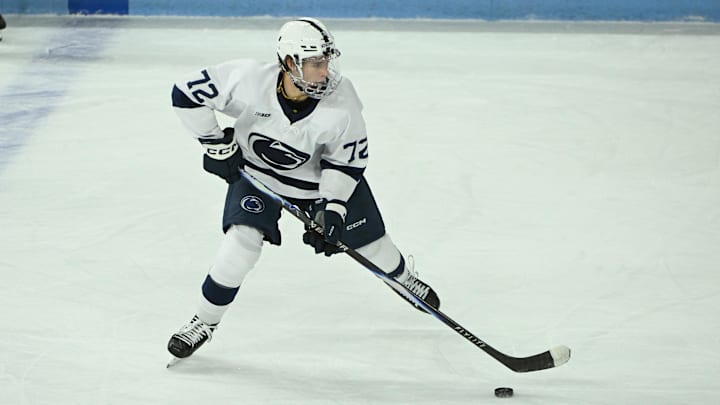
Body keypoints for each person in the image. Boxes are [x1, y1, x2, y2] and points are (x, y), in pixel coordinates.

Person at [167, 17, 440, 360]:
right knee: (240, 247)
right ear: (289, 62)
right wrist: (215, 145)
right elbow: (185, 93)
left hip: (318, 185)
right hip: (258, 175)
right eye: (315, 64)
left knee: (374, 246)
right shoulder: (250, 80)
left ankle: (402, 278)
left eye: (326, 62)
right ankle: (204, 323)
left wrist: (333, 208)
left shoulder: (342, 102)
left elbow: (345, 163)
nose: (324, 72)